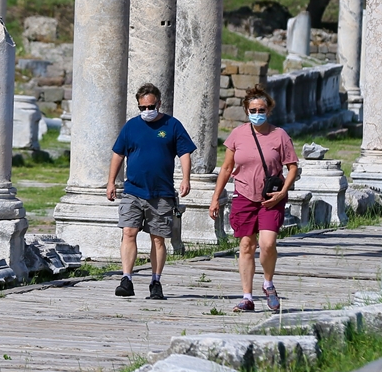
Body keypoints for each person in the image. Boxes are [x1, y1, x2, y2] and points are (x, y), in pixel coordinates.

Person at [210, 85, 298, 312]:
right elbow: (227, 167)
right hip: (244, 195)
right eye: (253, 110)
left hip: (271, 197)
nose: (257, 113)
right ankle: (247, 297)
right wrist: (215, 198)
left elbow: (292, 167)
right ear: (246, 111)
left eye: (261, 109)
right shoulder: (237, 135)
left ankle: (268, 283)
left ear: (269, 111)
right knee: (246, 245)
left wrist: (282, 192)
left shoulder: (280, 135)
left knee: (268, 243)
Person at [107, 83, 197, 300]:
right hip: (133, 190)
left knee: (158, 238)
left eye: (150, 106)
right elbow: (118, 154)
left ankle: (155, 281)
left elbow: (185, 153)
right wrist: (111, 182)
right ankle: (126, 278)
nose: (147, 111)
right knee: (128, 232)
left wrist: (186, 178)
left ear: (159, 103)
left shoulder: (172, 125)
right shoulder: (131, 127)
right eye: (142, 107)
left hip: (162, 192)